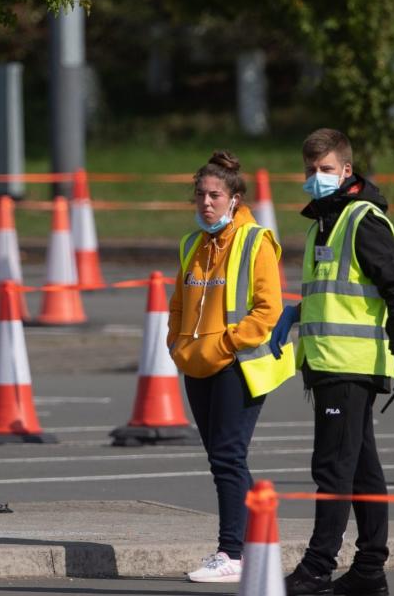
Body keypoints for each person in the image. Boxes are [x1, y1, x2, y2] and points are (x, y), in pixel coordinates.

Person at [270, 128, 394, 596]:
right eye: (310, 170)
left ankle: (317, 567)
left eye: (325, 170)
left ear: (346, 171)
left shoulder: (362, 220)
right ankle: (370, 570)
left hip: (348, 365)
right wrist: (298, 312)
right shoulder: (325, 221)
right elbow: (339, 292)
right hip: (330, 363)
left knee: (332, 467)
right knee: (361, 470)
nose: (316, 178)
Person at [168, 150, 291, 584]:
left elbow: (267, 311)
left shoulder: (256, 240)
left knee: (227, 456)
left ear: (234, 198)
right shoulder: (191, 243)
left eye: (215, 195)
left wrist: (224, 343)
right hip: (197, 363)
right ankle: (254, 545)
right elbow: (180, 302)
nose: (206, 203)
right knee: (223, 459)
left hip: (237, 364)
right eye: (200, 195)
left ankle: (232, 553)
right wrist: (177, 342)